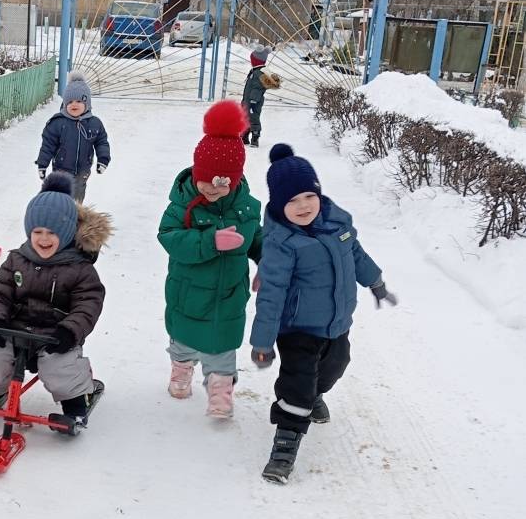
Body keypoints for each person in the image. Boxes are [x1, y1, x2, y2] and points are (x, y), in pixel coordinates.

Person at [250, 144, 398, 484]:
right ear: (278, 205)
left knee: (335, 367)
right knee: (296, 385)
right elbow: (271, 293)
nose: (302, 206)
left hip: (336, 324)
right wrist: (262, 341)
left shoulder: (337, 222)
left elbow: (356, 254)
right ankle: (285, 444)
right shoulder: (282, 243)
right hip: (298, 328)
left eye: (308, 196)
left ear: (318, 193)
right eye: (291, 201)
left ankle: (316, 394)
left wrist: (375, 282)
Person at [0, 174, 111, 425]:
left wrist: (69, 332)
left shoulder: (80, 269)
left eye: (52, 233)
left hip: (55, 337)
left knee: (61, 370)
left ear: (66, 234)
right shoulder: (17, 260)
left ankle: (76, 399)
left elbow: (89, 304)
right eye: (38, 232)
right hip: (14, 330)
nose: (44, 239)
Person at [157, 100, 262, 417]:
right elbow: (169, 237)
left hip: (228, 294)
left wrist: (268, 259)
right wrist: (209, 241)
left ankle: (220, 394)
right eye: (207, 180)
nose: (214, 188)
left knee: (223, 349)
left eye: (223, 181)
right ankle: (181, 368)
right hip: (188, 292)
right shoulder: (182, 205)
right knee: (184, 342)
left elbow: (255, 237)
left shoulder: (246, 207)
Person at [35, 69, 110, 202]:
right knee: (60, 197)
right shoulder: (58, 123)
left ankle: (74, 217)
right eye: (69, 102)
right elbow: (48, 145)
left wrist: (103, 159)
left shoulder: (94, 123)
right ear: (64, 103)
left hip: (83, 171)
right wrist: (42, 164)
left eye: (79, 101)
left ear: (87, 103)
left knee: (77, 198)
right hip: (61, 171)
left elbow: (101, 142)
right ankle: (58, 218)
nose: (73, 104)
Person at [241, 48, 281, 147]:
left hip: (254, 101)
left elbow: (258, 88)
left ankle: (255, 138)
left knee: (254, 118)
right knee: (246, 118)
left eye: (252, 59)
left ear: (256, 61)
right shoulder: (255, 71)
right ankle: (244, 136)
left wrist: (253, 100)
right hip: (248, 100)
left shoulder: (259, 73)